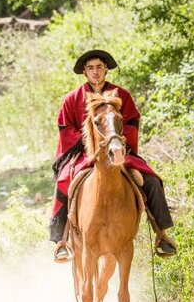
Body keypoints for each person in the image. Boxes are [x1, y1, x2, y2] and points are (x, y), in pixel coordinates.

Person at [50, 49, 177, 261]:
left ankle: (161, 234)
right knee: (64, 181)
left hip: (118, 148)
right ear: (84, 72)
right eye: (91, 68)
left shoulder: (121, 95)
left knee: (152, 180)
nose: (96, 72)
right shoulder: (72, 99)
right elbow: (65, 128)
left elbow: (131, 122)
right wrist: (89, 141)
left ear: (106, 69)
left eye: (99, 67)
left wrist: (115, 140)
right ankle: (61, 240)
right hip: (84, 153)